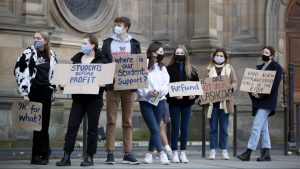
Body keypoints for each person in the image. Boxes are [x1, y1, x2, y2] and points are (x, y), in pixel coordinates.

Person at [56, 35, 108, 167]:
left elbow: (108, 80)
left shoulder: (102, 61)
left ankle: (89, 156)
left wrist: (104, 84)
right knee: (72, 126)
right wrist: (64, 84)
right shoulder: (77, 59)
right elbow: (72, 78)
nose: (82, 46)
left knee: (92, 128)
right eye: (82, 43)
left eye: (85, 43)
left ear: (93, 45)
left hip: (94, 99)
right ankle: (66, 155)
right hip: (78, 99)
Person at [14, 31, 57, 165]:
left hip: (47, 92)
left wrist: (56, 87)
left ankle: (44, 152)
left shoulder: (52, 55)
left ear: (45, 40)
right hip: (34, 92)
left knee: (44, 125)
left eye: (38, 38)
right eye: (34, 38)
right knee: (37, 126)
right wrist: (24, 93)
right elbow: (19, 71)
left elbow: (56, 73)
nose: (35, 40)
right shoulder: (28, 53)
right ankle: (37, 155)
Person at [102, 16, 141, 165]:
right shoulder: (108, 42)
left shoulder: (134, 43)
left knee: (127, 121)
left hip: (129, 87)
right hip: (112, 86)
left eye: (119, 25)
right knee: (111, 120)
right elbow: (103, 60)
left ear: (126, 28)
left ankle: (128, 152)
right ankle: (110, 153)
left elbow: (138, 63)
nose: (116, 27)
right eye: (115, 24)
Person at [237, 46, 283, 162]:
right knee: (263, 128)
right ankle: (266, 152)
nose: (263, 54)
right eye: (263, 52)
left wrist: (261, 95)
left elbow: (274, 85)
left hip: (267, 101)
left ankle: (248, 151)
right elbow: (251, 83)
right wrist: (252, 92)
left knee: (256, 127)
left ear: (271, 55)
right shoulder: (260, 68)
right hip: (258, 101)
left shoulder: (277, 67)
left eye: (266, 52)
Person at [137, 42, 170, 165]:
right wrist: (147, 92)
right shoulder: (143, 66)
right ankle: (162, 153)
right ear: (153, 53)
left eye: (162, 52)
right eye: (159, 52)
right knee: (154, 128)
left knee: (155, 128)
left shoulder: (162, 68)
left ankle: (149, 153)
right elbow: (139, 83)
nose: (162, 54)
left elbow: (165, 84)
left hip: (159, 100)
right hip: (145, 101)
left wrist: (159, 92)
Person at [166, 45, 199, 163]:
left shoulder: (192, 70)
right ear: (174, 55)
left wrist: (194, 95)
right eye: (177, 53)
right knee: (175, 127)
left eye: (181, 53)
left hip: (187, 103)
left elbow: (197, 87)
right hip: (174, 103)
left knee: (184, 128)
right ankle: (174, 151)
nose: (179, 55)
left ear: (185, 55)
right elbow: (166, 87)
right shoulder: (168, 69)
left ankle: (183, 152)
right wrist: (173, 94)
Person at [204, 48, 237, 160]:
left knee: (224, 128)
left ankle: (224, 150)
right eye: (217, 55)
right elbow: (205, 84)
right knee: (213, 128)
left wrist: (232, 87)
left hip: (225, 103)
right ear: (214, 57)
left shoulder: (229, 68)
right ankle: (212, 150)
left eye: (221, 55)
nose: (219, 57)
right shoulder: (208, 69)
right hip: (212, 104)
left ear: (225, 57)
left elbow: (234, 82)